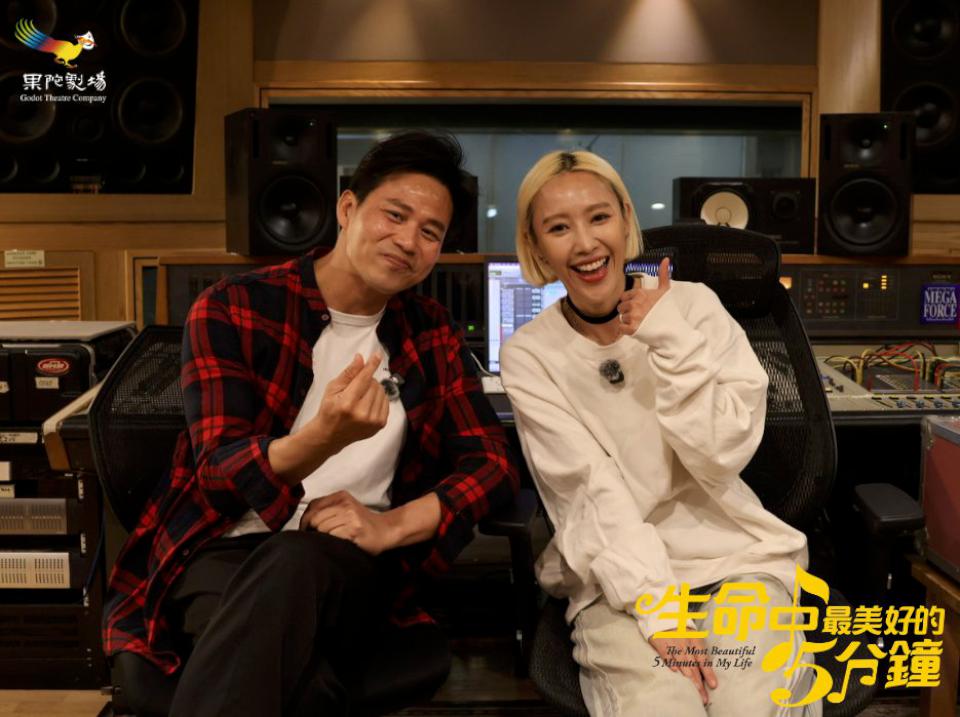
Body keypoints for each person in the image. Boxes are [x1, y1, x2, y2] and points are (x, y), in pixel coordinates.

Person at [102, 131, 520, 716]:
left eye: (430, 233)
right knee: (300, 680)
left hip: (353, 565)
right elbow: (219, 472)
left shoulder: (430, 331)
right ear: (348, 209)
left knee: (293, 564)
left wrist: (391, 526)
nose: (408, 241)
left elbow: (493, 462)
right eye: (395, 215)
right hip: (223, 548)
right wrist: (324, 438)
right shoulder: (234, 306)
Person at [499, 150, 820, 717]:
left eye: (599, 217)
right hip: (618, 577)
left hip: (735, 557)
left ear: (626, 219)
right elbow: (589, 494)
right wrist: (660, 611)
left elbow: (721, 455)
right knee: (663, 706)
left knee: (752, 704)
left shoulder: (695, 308)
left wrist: (668, 337)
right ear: (537, 245)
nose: (585, 243)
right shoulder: (531, 354)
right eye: (558, 228)